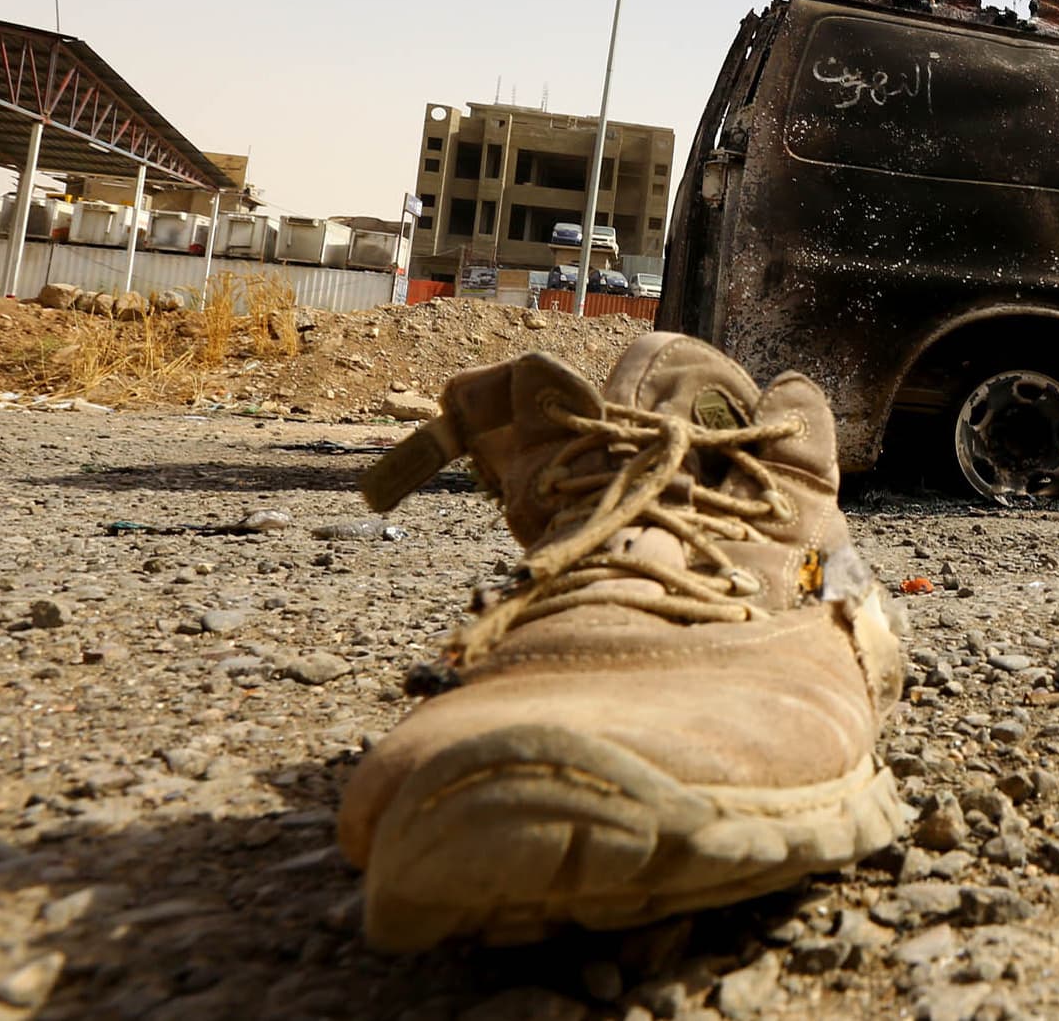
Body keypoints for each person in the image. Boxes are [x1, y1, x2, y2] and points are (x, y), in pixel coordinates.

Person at [337, 333, 907, 951]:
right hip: (576, 616)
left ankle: (818, 596)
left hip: (802, 583)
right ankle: (614, 581)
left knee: (819, 579)